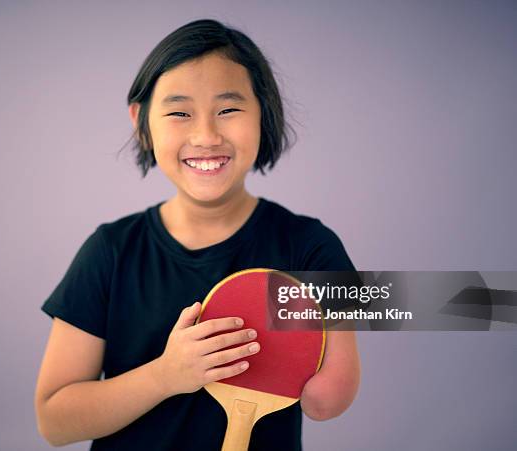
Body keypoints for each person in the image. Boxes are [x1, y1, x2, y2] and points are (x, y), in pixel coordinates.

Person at [35, 18, 361, 451]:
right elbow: (54, 422)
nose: (206, 135)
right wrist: (166, 375)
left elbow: (323, 403)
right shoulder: (111, 251)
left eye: (228, 109)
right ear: (141, 121)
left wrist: (333, 322)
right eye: (179, 112)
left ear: (264, 114)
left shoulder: (308, 247)